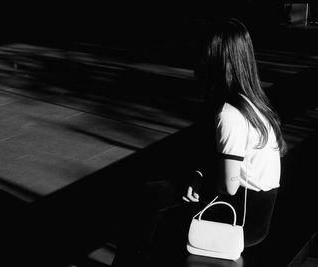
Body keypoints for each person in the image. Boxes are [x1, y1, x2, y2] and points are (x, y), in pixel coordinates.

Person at [112, 17, 286, 266]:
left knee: (149, 208)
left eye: (203, 54)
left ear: (218, 61)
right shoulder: (254, 104)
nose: (197, 61)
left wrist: (199, 184)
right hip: (258, 212)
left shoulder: (230, 114)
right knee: (152, 194)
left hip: (240, 220)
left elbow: (230, 186)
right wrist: (199, 176)